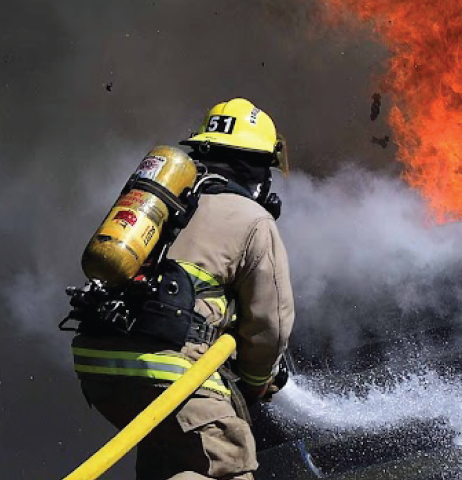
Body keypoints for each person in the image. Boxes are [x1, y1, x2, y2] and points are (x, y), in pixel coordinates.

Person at [71, 98, 296, 480]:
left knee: (173, 459)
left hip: (99, 364)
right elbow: (270, 326)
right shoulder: (253, 220)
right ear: (257, 169)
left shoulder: (164, 203)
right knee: (227, 466)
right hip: (170, 368)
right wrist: (257, 382)